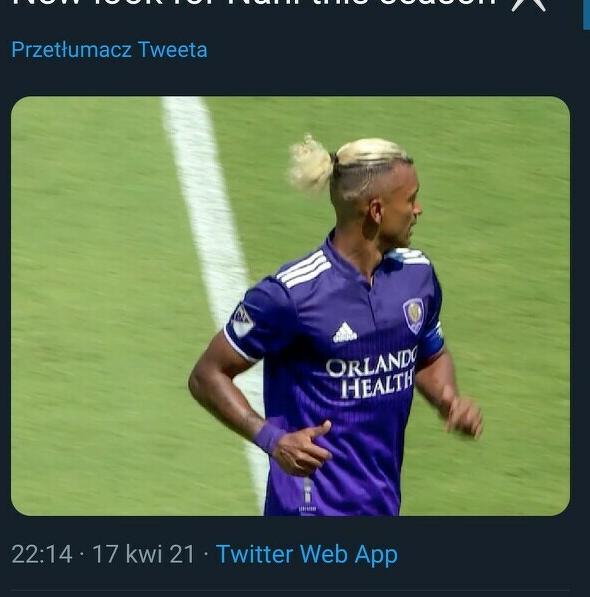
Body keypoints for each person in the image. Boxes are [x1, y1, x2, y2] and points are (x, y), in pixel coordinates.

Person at [189, 135, 483, 516]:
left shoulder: (417, 276)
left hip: (381, 505)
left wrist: (448, 400)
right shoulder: (291, 294)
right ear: (376, 210)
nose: (418, 210)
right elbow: (207, 375)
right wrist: (273, 440)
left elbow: (427, 353)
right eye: (410, 199)